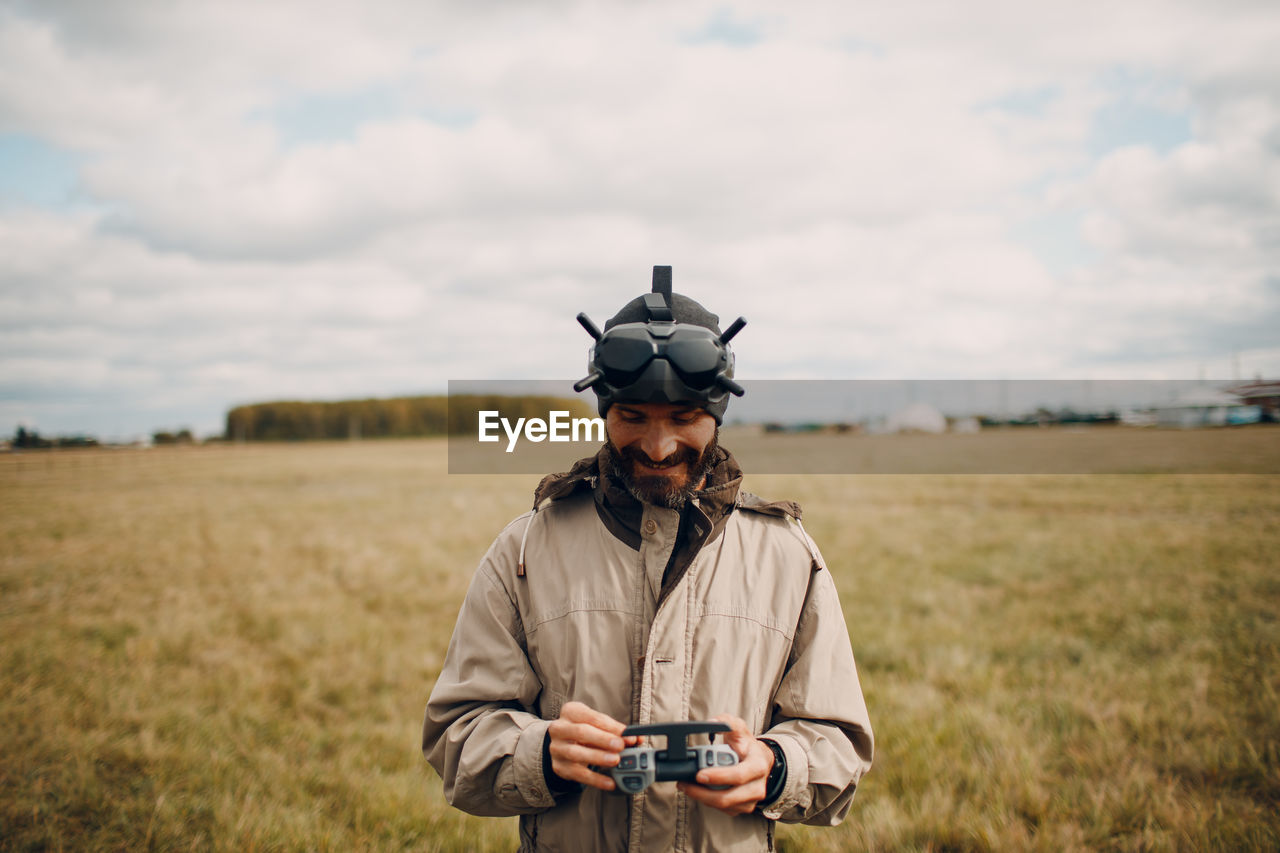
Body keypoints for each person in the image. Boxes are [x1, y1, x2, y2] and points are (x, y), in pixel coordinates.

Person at [422, 267, 873, 851]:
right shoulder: (525, 550)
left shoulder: (788, 556)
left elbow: (840, 745)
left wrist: (776, 767)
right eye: (633, 417)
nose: (658, 447)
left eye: (683, 419)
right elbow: (456, 738)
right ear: (604, 410)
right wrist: (541, 754)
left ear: (716, 413)